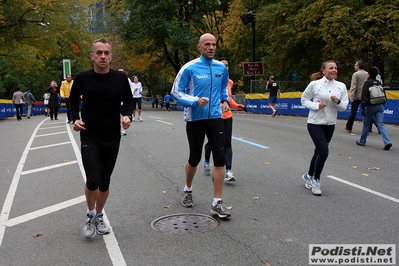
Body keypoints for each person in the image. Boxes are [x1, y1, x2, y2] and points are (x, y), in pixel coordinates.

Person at [69, 38, 134, 239]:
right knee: (93, 180)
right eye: (99, 53)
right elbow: (72, 100)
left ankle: (99, 215)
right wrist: (75, 119)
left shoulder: (120, 78)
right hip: (90, 135)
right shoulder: (82, 78)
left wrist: (126, 115)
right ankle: (90, 216)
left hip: (112, 136)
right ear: (92, 56)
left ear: (111, 57)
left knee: (104, 182)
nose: (103, 56)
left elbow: (129, 101)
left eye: (106, 53)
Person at [171, 33, 231, 218]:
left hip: (215, 117)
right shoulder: (189, 67)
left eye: (213, 44)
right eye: (207, 44)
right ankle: (188, 190)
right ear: (199, 47)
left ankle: (217, 202)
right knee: (195, 157)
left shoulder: (221, 67)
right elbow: (176, 92)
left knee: (220, 158)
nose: (211, 47)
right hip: (195, 119)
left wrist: (225, 100)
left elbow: (222, 89)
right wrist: (195, 101)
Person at [300, 60, 348, 196]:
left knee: (318, 152)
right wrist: (316, 106)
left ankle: (308, 176)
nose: (334, 70)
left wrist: (337, 102)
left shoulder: (341, 86)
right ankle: (316, 180)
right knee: (324, 152)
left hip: (330, 123)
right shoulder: (315, 85)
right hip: (315, 123)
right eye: (330, 68)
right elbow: (304, 100)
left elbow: (344, 106)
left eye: (335, 68)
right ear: (323, 71)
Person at [203, 57, 245, 182]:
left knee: (227, 143)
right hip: (215, 116)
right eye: (222, 65)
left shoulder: (229, 82)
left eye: (226, 65)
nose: (224, 67)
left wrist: (237, 106)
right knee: (213, 143)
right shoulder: (211, 79)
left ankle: (228, 171)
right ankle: (206, 161)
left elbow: (228, 98)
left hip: (227, 116)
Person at [355, 66, 392, 150]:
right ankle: (387, 141)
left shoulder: (367, 83)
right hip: (380, 105)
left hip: (370, 106)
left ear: (369, 74)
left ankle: (362, 141)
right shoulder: (379, 83)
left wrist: (363, 107)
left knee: (366, 124)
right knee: (381, 124)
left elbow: (364, 97)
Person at [344, 61, 368, 133]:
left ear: (358, 67)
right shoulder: (367, 74)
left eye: (355, 66)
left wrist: (351, 96)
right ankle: (369, 127)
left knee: (353, 112)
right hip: (365, 96)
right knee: (366, 112)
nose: (354, 67)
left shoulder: (356, 74)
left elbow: (353, 86)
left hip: (357, 96)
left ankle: (349, 126)